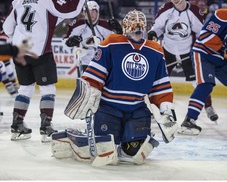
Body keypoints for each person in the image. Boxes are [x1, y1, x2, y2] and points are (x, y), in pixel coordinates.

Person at [52, 10, 177, 166]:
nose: (136, 29)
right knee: (103, 148)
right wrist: (90, 93)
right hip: (109, 108)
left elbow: (160, 86)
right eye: (134, 26)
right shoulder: (112, 42)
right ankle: (71, 139)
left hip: (137, 109)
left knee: (132, 154)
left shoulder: (155, 50)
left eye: (138, 26)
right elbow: (94, 76)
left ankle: (125, 141)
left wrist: (166, 110)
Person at [3, 0, 89, 142]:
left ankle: (17, 125)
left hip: (20, 52)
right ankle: (45, 128)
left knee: (25, 89)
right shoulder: (48, 0)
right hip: (40, 53)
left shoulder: (20, 1)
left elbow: (7, 29)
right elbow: (71, 9)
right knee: (47, 88)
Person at [178, 0, 227, 135]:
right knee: (206, 85)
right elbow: (205, 36)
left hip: (219, 58)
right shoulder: (222, 14)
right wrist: (225, 51)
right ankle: (189, 121)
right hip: (204, 54)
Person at [148, 0, 218, 123]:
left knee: (200, 82)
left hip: (188, 53)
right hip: (168, 51)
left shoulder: (193, 11)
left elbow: (201, 33)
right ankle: (153, 108)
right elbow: (158, 27)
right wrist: (152, 33)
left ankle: (208, 106)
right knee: (157, 80)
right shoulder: (166, 8)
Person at [64, 0, 122, 76]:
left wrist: (119, 31)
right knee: (84, 87)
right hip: (83, 63)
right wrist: (69, 42)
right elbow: (65, 42)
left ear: (98, 12)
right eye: (88, 11)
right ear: (84, 13)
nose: (91, 14)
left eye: (93, 11)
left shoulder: (107, 25)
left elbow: (118, 43)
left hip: (102, 64)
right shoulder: (77, 25)